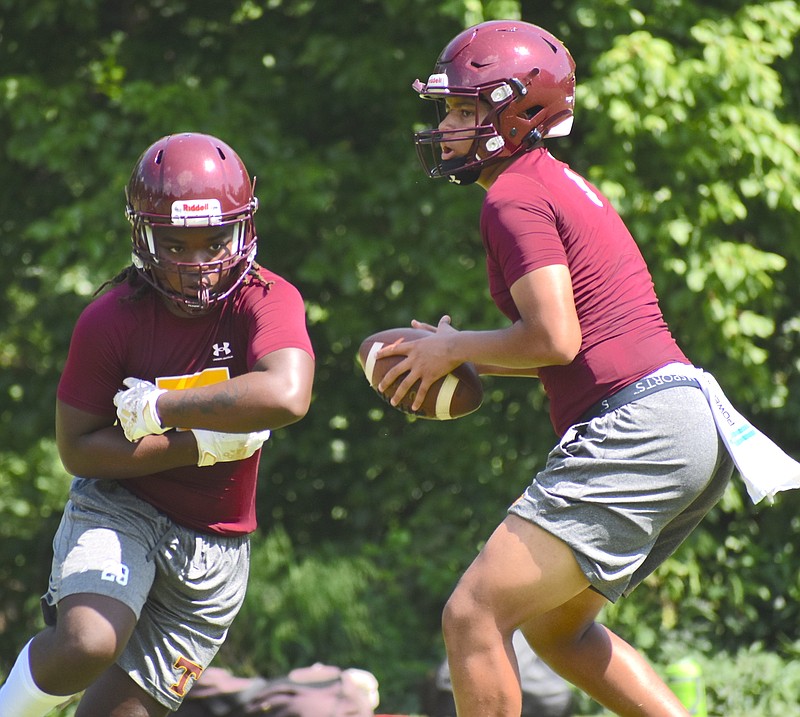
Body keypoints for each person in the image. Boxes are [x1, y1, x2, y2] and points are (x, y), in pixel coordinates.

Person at [377, 20, 735, 716]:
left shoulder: (511, 196)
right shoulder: (550, 182)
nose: (446, 125)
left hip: (642, 421)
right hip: (688, 417)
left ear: (517, 113)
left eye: (462, 110)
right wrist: (463, 347)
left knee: (471, 616)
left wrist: (454, 348)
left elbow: (555, 336)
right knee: (556, 629)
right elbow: (564, 343)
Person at [0, 132, 315, 717]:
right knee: (86, 641)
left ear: (243, 230)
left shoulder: (265, 299)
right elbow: (79, 452)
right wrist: (199, 446)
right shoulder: (110, 318)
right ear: (144, 237)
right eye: (176, 245)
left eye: (215, 242)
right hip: (122, 505)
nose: (197, 266)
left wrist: (164, 411)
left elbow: (288, 395)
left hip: (216, 547)